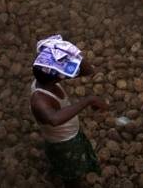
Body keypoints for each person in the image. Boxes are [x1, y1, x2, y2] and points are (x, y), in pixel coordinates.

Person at [30, 36, 106, 188]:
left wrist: (72, 51)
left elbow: (88, 71)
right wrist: (88, 101)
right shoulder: (40, 100)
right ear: (56, 76)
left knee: (75, 166)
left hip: (71, 134)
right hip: (63, 143)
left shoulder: (47, 79)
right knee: (72, 175)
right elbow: (54, 119)